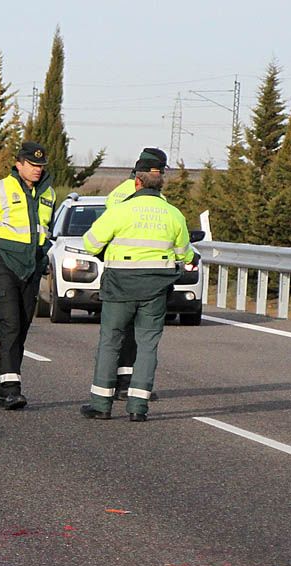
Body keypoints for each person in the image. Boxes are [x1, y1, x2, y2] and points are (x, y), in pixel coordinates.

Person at [80, 149, 194, 421]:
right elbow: (185, 255)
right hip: (155, 289)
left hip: (120, 286)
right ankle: (138, 408)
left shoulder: (120, 210)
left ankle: (101, 405)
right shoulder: (174, 214)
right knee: (147, 345)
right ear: (160, 181)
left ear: (137, 181)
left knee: (111, 341)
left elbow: (90, 243)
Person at [0, 141, 56, 410]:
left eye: (40, 166)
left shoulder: (48, 194)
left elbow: (46, 231)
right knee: (9, 323)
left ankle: (3, 382)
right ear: (19, 164)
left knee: (22, 325)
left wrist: (42, 256)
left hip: (31, 268)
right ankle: (11, 389)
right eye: (32, 165)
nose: (37, 170)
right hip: (6, 265)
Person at [104, 147, 168, 401]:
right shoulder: (142, 197)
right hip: (137, 272)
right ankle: (123, 384)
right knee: (128, 334)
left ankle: (120, 384)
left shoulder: (120, 192)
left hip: (124, 271)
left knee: (122, 333)